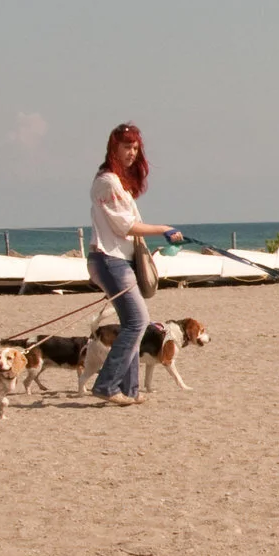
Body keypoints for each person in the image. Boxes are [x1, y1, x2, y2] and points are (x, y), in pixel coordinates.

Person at [88, 122, 184, 406]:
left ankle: (128, 389)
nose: (132, 152)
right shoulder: (108, 181)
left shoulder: (117, 182)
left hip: (118, 259)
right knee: (137, 322)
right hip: (110, 259)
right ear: (114, 147)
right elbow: (126, 226)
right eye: (127, 147)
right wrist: (164, 229)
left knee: (134, 324)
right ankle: (106, 385)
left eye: (135, 148)